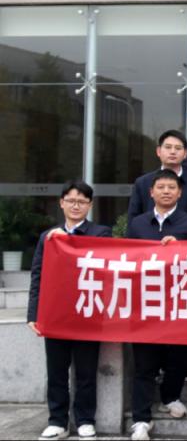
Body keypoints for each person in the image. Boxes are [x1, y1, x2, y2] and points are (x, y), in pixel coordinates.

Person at [125, 170, 187, 441]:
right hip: (146, 303)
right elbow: (126, 256)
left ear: (180, 192)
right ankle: (141, 419)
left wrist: (180, 246)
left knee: (180, 358)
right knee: (145, 363)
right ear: (151, 192)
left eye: (171, 188)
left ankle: (170, 397)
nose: (166, 192)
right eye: (160, 187)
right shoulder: (138, 223)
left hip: (181, 302)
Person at [28, 181, 111, 441]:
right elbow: (38, 275)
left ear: (90, 205)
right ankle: (57, 421)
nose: (76, 206)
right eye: (71, 201)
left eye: (82, 202)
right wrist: (33, 314)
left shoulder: (101, 233)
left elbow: (104, 266)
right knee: (56, 371)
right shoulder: (48, 237)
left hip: (87, 313)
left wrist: (68, 241)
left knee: (86, 372)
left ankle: (85, 420)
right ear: (61, 203)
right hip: (55, 314)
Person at [127, 130, 187, 220]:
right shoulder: (143, 183)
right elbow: (133, 220)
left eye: (178, 148)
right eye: (168, 147)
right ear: (158, 151)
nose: (173, 152)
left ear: (185, 153)